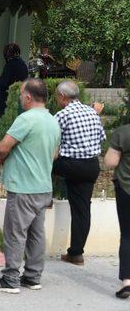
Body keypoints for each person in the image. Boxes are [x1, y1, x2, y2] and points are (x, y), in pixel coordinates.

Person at [0, 78, 60, 294]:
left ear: (28, 97)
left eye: (20, 95)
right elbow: (55, 153)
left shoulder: (26, 119)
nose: (19, 99)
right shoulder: (52, 120)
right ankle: (33, 276)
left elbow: (3, 146)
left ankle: (10, 278)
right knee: (37, 233)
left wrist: (2, 159)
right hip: (43, 186)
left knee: (15, 233)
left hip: (23, 186)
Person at [53, 80, 105, 266]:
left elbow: (50, 140)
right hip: (91, 166)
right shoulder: (92, 112)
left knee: (44, 165)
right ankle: (76, 253)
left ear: (62, 96)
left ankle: (45, 195)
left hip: (70, 165)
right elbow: (101, 138)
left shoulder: (62, 115)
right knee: (82, 210)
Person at [103, 125, 130, 299]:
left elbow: (110, 162)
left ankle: (127, 283)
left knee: (127, 235)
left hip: (126, 189)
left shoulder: (123, 132)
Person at [0, 42, 28, 129]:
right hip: (18, 99)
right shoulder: (23, 64)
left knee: (3, 124)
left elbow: (3, 84)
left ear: (7, 53)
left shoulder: (10, 64)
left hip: (6, 100)